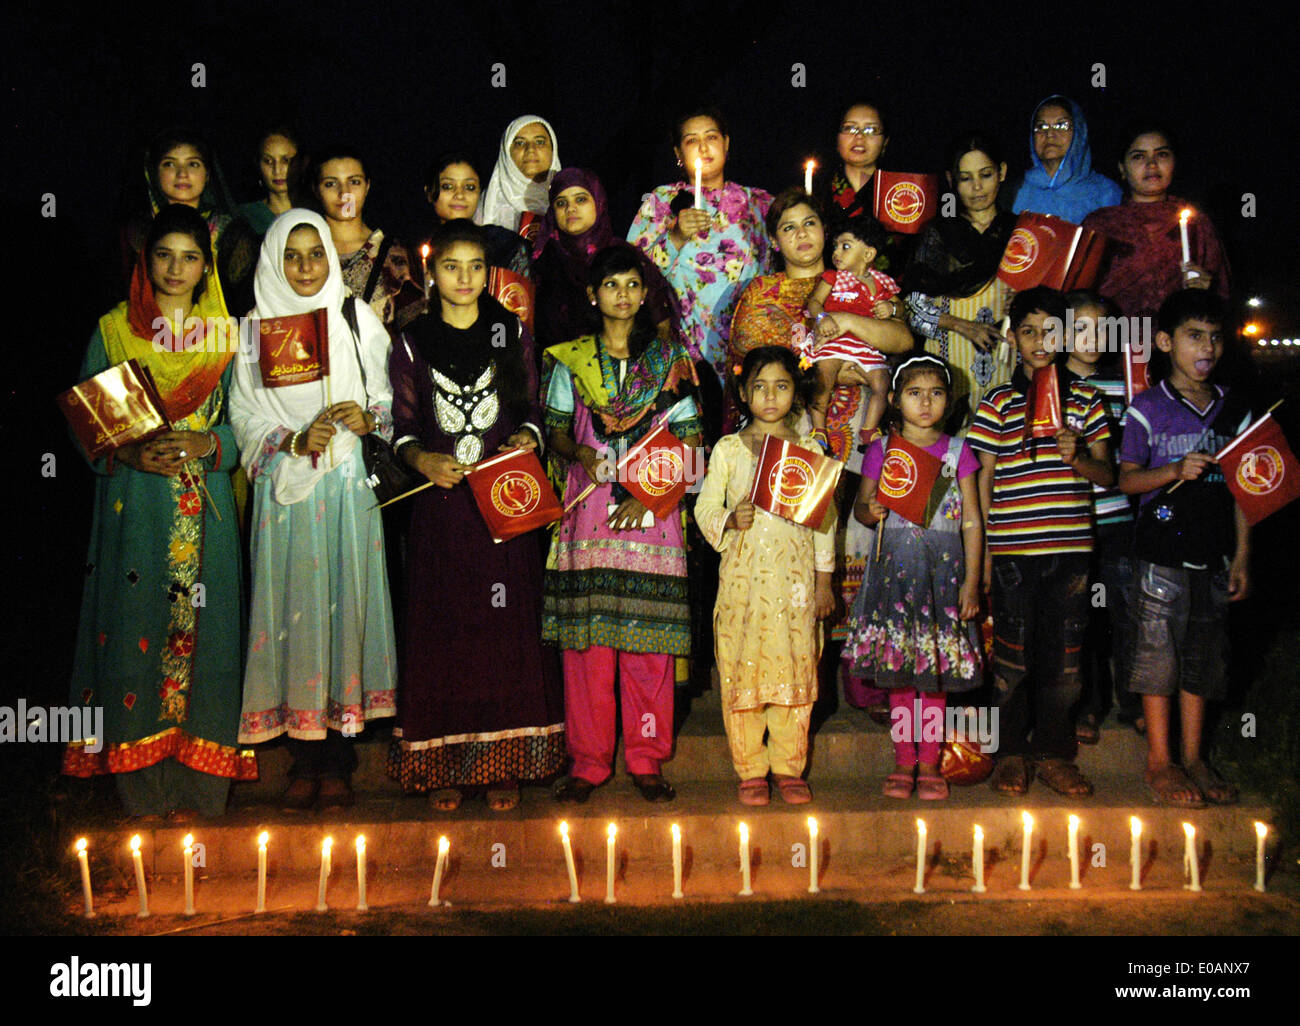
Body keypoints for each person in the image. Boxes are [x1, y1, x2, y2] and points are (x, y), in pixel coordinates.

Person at [63, 204, 254, 818]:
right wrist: (132, 455)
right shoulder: (114, 330)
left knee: (212, 637)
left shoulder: (228, 337)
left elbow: (250, 425)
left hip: (209, 506)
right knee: (134, 633)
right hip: (138, 508)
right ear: (146, 262)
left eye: (190, 257)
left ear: (207, 268)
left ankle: (202, 791)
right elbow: (89, 430)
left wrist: (212, 443)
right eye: (164, 255)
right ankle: (141, 793)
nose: (176, 268)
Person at [388, 219, 565, 811]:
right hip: (440, 506)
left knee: (504, 625)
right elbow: (404, 427)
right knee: (446, 629)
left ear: (488, 274)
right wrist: (422, 459)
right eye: (449, 267)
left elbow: (530, 407)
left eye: (473, 268)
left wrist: (527, 439)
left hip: (504, 502)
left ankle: (502, 762)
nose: (462, 279)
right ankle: (442, 760)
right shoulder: (412, 339)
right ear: (430, 273)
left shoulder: (508, 329)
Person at [230, 210, 398, 811]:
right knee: (295, 611)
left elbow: (391, 394)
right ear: (273, 260)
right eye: (292, 256)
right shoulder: (253, 329)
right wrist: (292, 442)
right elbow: (243, 416)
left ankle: (341, 756)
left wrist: (368, 417)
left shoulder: (357, 316)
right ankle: (304, 754)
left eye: (315, 254)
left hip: (348, 485)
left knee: (345, 605)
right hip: (287, 495)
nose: (305, 268)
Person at [543, 246, 702, 804]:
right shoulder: (570, 359)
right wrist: (579, 455)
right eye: (611, 285)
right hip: (587, 507)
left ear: (643, 292)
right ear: (593, 294)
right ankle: (588, 763)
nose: (623, 295)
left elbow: (690, 439)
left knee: (649, 644)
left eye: (632, 285)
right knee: (587, 648)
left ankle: (646, 757)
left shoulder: (669, 360)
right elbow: (557, 430)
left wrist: (652, 496)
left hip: (652, 513)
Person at [967, 286, 1114, 797]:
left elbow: (1109, 475)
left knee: (1066, 658)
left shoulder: (1089, 401)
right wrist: (983, 551)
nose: (1039, 340)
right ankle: (1010, 752)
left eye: (1050, 329)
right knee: (1012, 656)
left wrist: (1078, 457)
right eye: (1027, 330)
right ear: (1013, 338)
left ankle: (1054, 751)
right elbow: (982, 479)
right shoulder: (998, 402)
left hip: (1070, 550)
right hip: (1011, 553)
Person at [1118, 290, 1248, 807]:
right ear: (1167, 342)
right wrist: (1173, 470)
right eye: (1195, 335)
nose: (1208, 347)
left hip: (1214, 555)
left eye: (1216, 337)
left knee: (1203, 656)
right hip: (1159, 553)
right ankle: (1159, 760)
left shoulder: (1232, 408)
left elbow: (1248, 488)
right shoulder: (1147, 407)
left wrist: (1242, 556)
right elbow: (1127, 480)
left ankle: (1194, 756)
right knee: (1158, 654)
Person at [695, 346, 836, 805]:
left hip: (794, 587)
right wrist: (727, 518)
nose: (770, 396)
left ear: (796, 391)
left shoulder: (810, 451)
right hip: (743, 585)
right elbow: (703, 507)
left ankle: (789, 766)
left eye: (781, 386)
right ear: (742, 392)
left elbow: (824, 522)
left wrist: (823, 581)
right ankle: (751, 768)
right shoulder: (728, 450)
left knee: (795, 669)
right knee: (744, 669)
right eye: (759, 387)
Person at [847, 356, 983, 799]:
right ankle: (904, 761)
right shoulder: (882, 451)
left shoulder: (959, 452)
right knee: (902, 673)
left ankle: (930, 763)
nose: (925, 403)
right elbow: (862, 509)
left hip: (943, 580)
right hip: (895, 581)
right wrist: (872, 511)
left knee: (934, 674)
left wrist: (972, 581)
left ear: (949, 400)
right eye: (914, 393)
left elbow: (972, 523)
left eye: (936, 393)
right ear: (895, 400)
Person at [627, 105, 773, 403]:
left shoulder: (759, 203)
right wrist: (676, 237)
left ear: (727, 143)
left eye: (712, 137)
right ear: (678, 153)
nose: (704, 147)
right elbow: (630, 273)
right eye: (692, 140)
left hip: (750, 350)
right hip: (683, 353)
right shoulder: (661, 201)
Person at [1062, 291, 1141, 741]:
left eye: (1101, 329)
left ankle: (1134, 702)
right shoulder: (1048, 386)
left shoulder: (1124, 384)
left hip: (1116, 519)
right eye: (1081, 328)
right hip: (1068, 520)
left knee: (1126, 613)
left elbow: (1132, 456)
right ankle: (1087, 706)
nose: (1092, 338)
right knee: (1080, 617)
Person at [903, 133, 1017, 430]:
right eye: (966, 178)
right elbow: (912, 308)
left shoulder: (1022, 232)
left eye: (986, 175)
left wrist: (1023, 304)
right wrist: (963, 326)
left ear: (1002, 172)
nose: (977, 187)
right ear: (952, 180)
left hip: (1007, 360)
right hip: (949, 358)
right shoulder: (939, 233)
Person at [1082, 123, 1230, 321]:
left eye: (1161, 155)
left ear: (1174, 162)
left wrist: (1203, 292)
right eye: (1138, 156)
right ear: (1122, 168)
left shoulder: (1196, 224)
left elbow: (1223, 297)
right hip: (1113, 342)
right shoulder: (1100, 225)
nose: (1151, 164)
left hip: (1176, 345)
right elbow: (1079, 297)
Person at [533, 167, 680, 353]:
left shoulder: (625, 256)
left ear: (598, 201)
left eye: (581, 199)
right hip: (561, 371)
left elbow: (661, 324)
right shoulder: (544, 264)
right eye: (561, 203)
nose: (571, 208)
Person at [120, 128, 259, 314]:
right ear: (153, 172)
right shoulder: (139, 232)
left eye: (193, 164)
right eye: (169, 164)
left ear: (208, 174)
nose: (182, 174)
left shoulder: (230, 232)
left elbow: (246, 306)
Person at [803, 218, 901, 448]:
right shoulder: (833, 277)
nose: (837, 252)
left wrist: (893, 308)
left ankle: (868, 430)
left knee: (881, 381)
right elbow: (814, 301)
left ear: (868, 254)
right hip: (834, 340)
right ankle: (818, 429)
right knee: (823, 377)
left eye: (845, 246)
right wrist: (821, 317)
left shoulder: (882, 282)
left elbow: (901, 311)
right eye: (835, 246)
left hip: (864, 345)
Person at [310, 145, 420, 328]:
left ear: (367, 186)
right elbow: (253, 317)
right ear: (316, 189)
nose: (344, 193)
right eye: (330, 183)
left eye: (354, 182)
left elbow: (417, 329)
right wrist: (250, 354)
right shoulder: (301, 250)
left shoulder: (394, 253)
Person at [1011, 96, 1122, 224]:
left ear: (1080, 133)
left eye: (1062, 125)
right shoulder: (1015, 192)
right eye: (1041, 126)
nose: (1050, 134)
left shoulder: (1107, 194)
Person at [423, 151, 531, 276]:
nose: (459, 195)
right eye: (447, 186)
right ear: (429, 193)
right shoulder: (416, 254)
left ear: (480, 192)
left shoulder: (505, 246)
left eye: (469, 187)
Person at [479, 115, 561, 242]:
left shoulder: (567, 197)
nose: (530, 150)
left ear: (553, 150)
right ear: (507, 151)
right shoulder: (488, 202)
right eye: (520, 143)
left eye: (539, 142)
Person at [237, 126, 306, 237]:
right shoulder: (245, 216)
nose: (277, 170)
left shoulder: (318, 209)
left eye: (286, 160)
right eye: (268, 161)